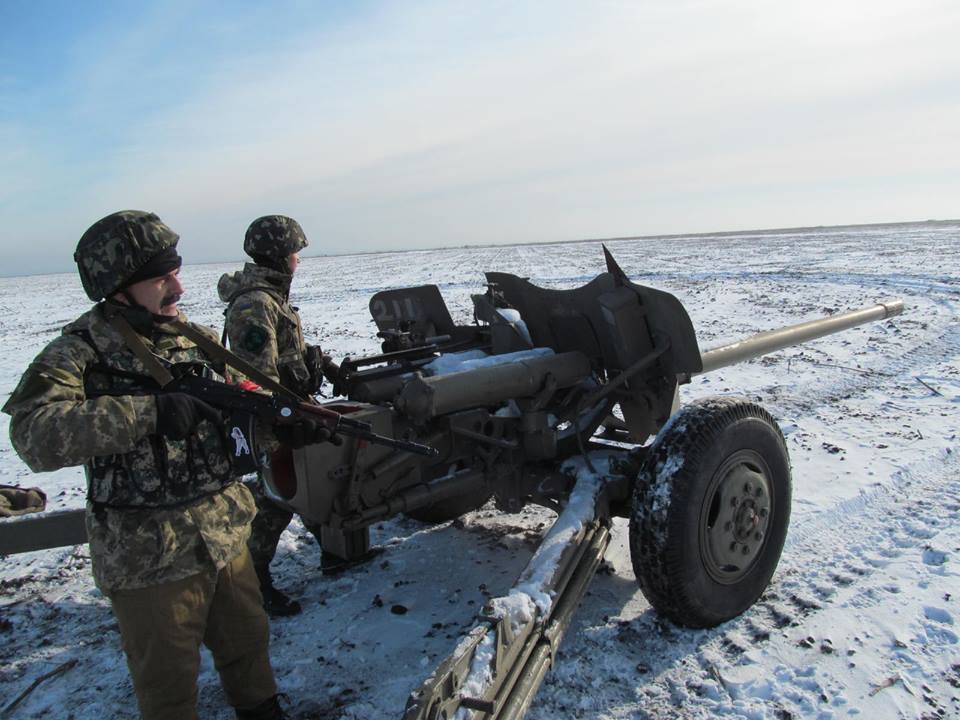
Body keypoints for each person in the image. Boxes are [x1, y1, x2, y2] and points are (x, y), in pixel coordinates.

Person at [2, 211, 294, 720]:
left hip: (225, 536)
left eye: (175, 271)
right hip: (148, 559)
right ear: (119, 286)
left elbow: (243, 403)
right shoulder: (78, 354)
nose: (177, 285)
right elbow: (34, 435)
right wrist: (148, 413)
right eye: (161, 276)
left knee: (250, 651)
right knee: (168, 687)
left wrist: (286, 427)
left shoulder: (192, 338)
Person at [218, 215, 340, 617]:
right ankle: (251, 582)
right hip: (273, 420)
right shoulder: (255, 304)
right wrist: (287, 420)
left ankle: (333, 547)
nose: (298, 261)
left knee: (305, 482)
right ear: (278, 255)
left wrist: (318, 363)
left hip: (290, 410)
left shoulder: (271, 298)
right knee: (278, 499)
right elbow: (256, 377)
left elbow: (283, 356)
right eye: (294, 253)